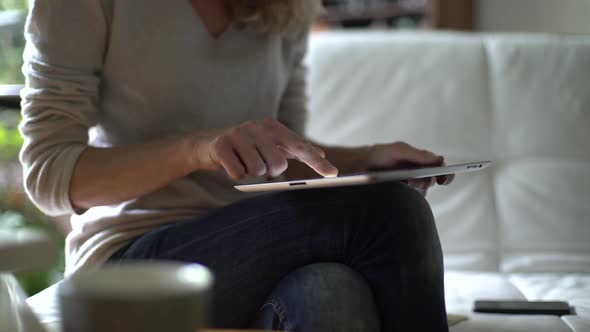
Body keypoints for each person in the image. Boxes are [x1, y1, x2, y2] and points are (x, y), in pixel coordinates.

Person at [19, 0, 452, 331]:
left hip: (263, 245)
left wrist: (367, 158)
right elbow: (50, 175)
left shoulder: (288, 7)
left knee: (329, 292)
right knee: (392, 209)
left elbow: (286, 155)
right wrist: (197, 150)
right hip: (131, 260)